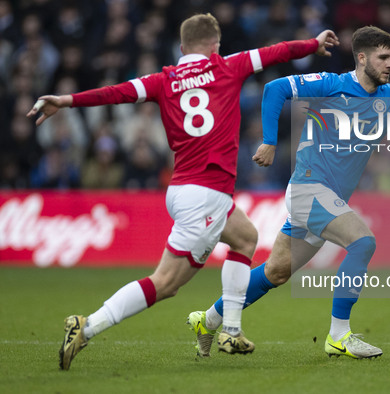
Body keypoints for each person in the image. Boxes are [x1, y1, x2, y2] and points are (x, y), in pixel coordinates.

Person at [27, 13, 338, 369]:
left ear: (181, 47)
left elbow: (114, 93)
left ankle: (231, 330)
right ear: (214, 46)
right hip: (206, 193)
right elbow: (275, 52)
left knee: (245, 239)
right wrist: (314, 43)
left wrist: (65, 100)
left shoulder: (162, 79)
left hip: (183, 190)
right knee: (166, 283)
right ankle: (86, 326)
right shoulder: (227, 67)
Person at [190, 26, 390, 359]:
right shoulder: (332, 84)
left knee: (276, 271)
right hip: (308, 188)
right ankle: (339, 335)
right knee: (363, 241)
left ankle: (208, 320)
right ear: (361, 57)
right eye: (383, 57)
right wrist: (270, 140)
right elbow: (274, 89)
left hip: (329, 198)